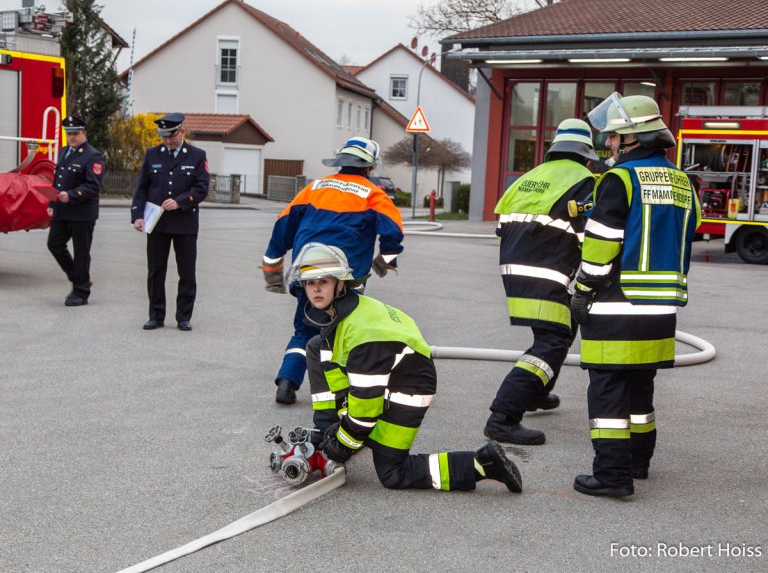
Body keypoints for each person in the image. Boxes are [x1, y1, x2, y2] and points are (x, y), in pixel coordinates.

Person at [290, 242, 522, 493]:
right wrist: (329, 431)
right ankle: (336, 429)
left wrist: (338, 448)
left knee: (392, 473)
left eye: (323, 282)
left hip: (410, 386)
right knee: (316, 346)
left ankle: (481, 464)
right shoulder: (345, 315)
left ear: (340, 284)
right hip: (391, 372)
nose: (315, 289)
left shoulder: (365, 336)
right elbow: (342, 378)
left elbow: (365, 410)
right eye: (309, 283)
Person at [571, 94, 701, 497]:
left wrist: (582, 289)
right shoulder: (682, 181)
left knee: (608, 387)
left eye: (613, 137)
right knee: (640, 390)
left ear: (632, 139)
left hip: (616, 304)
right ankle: (637, 462)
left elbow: (601, 243)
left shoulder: (620, 180)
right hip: (662, 309)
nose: (608, 144)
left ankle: (612, 476)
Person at [262, 136, 404, 405]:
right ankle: (340, 393)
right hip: (344, 279)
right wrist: (381, 266)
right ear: (369, 167)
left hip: (307, 272)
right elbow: (393, 234)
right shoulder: (374, 195)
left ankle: (287, 382)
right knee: (341, 332)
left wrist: (272, 268)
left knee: (304, 330)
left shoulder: (314, 188)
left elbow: (283, 226)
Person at [484, 119, 597, 445]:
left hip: (514, 271)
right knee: (551, 343)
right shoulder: (584, 181)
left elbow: (501, 228)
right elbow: (592, 233)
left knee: (564, 328)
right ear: (586, 155)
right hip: (546, 275)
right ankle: (503, 417)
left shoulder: (528, 178)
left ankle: (537, 391)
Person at [131, 113, 210, 331]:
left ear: (181, 132)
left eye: (171, 136)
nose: (167, 141)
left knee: (186, 271)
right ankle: (155, 315)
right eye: (164, 137)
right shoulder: (152, 154)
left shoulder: (197, 155)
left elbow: (202, 188)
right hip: (157, 223)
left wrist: (180, 201)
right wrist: (137, 215)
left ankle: (183, 316)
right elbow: (141, 188)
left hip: (185, 222)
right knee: (156, 271)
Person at [47, 115, 104, 306]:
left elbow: (93, 186)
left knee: (81, 252)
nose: (72, 137)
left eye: (75, 133)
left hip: (82, 212)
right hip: (62, 210)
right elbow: (58, 181)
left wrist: (71, 195)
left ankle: (81, 292)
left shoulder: (93, 156)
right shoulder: (64, 152)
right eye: (69, 133)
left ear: (84, 133)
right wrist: (52, 204)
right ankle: (79, 278)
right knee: (54, 244)